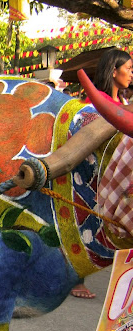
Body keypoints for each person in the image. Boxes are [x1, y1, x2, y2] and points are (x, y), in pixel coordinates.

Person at [75, 49, 133, 299]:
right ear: (113, 71)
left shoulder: (123, 104)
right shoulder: (93, 103)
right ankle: (76, 279)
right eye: (129, 68)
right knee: (83, 218)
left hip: (120, 173)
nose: (131, 73)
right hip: (92, 171)